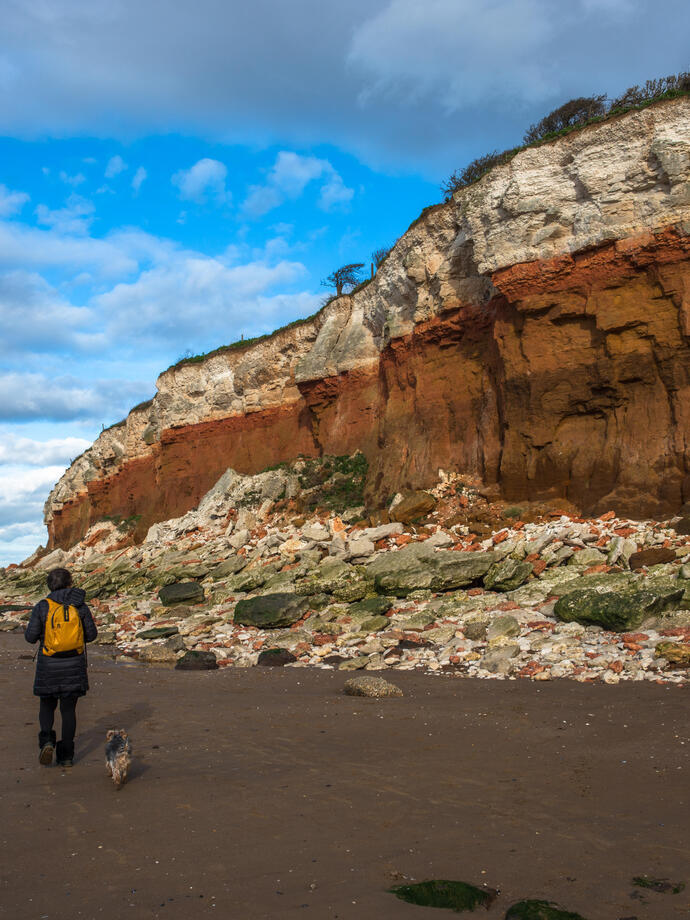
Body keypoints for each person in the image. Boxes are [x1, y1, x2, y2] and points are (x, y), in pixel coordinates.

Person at [25, 567, 98, 767]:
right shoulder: (80, 605)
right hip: (74, 665)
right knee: (68, 711)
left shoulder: (42, 606)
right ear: (69, 583)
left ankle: (47, 741)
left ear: (50, 585)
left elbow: (30, 637)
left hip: (48, 665)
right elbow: (91, 636)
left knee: (47, 705)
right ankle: (66, 755)